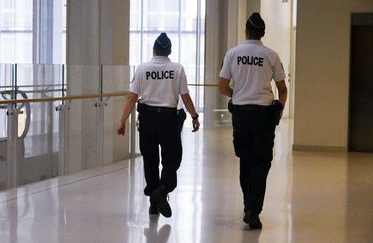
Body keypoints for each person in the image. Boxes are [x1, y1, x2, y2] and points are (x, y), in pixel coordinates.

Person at [117, 33, 200, 218]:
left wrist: (122, 121)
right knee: (172, 160)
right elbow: (185, 97)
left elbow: (131, 97)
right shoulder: (177, 69)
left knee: (150, 161)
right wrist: (194, 115)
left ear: (153, 50)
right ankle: (162, 191)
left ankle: (154, 203)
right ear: (169, 51)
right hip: (168, 120)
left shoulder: (142, 69)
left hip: (146, 119)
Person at [219, 12, 288, 229]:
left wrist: (239, 95)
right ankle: (253, 210)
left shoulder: (233, 54)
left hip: (241, 114)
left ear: (246, 31)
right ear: (263, 33)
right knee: (261, 162)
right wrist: (279, 109)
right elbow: (282, 90)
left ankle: (247, 204)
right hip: (263, 116)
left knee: (245, 160)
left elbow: (223, 86)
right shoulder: (271, 55)